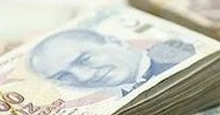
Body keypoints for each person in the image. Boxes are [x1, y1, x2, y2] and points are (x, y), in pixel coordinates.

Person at [29, 29, 195, 91]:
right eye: (63, 76)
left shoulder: (185, 56)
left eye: (85, 59)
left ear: (116, 42)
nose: (84, 77)